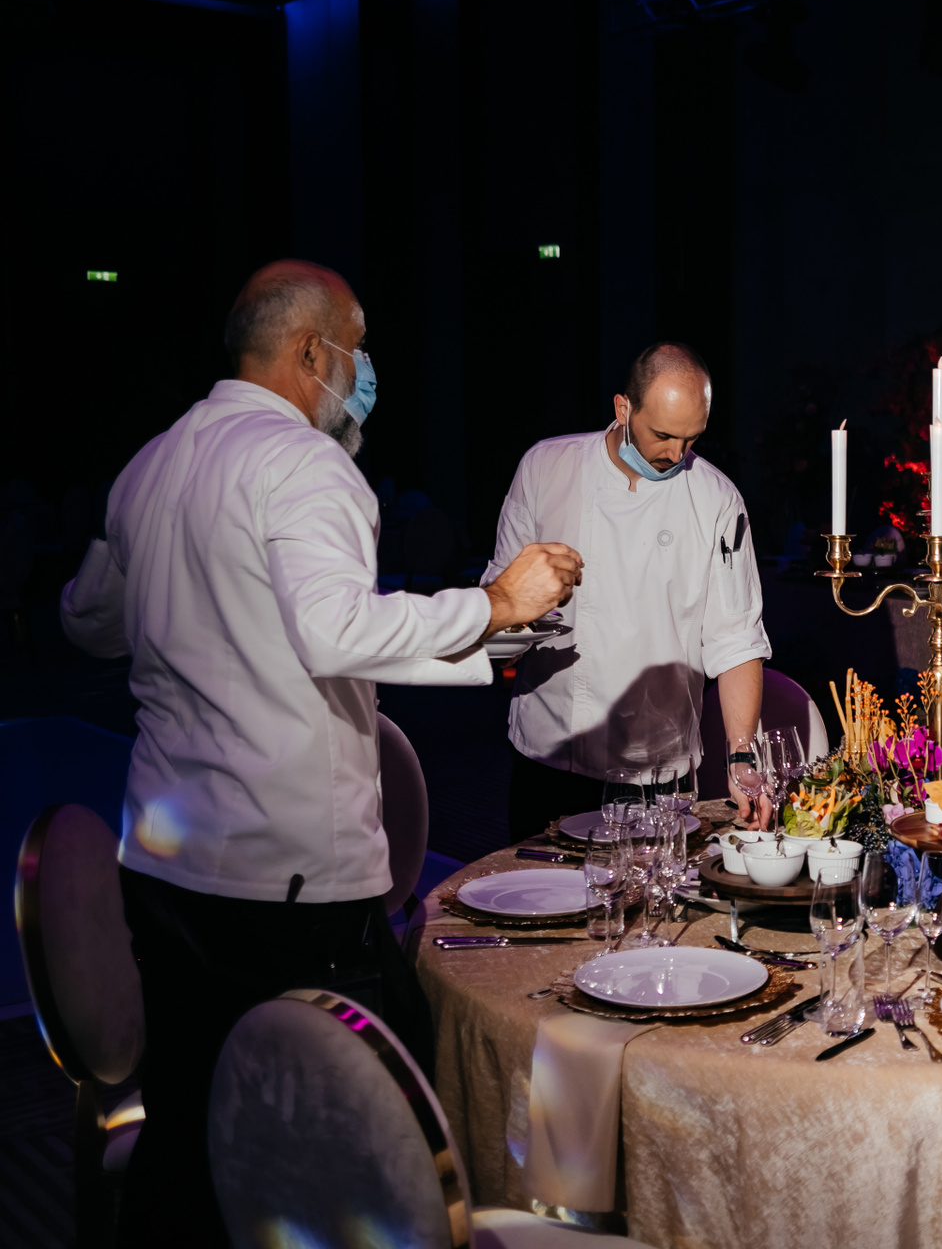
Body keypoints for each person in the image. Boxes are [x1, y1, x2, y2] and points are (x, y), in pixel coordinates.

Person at [59, 259, 583, 1244]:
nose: (367, 370)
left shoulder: (152, 463)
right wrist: (497, 602)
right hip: (286, 881)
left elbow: (92, 624)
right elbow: (336, 630)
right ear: (313, 351)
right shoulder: (303, 462)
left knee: (194, 1122)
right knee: (358, 1138)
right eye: (360, 347)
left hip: (166, 866)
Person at [489, 342, 774, 841]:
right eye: (662, 435)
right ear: (623, 409)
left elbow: (736, 639)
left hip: (656, 770)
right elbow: (498, 601)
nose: (676, 455)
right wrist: (515, 619)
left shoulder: (717, 499)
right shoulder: (545, 468)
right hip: (550, 759)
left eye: (691, 438)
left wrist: (741, 756)